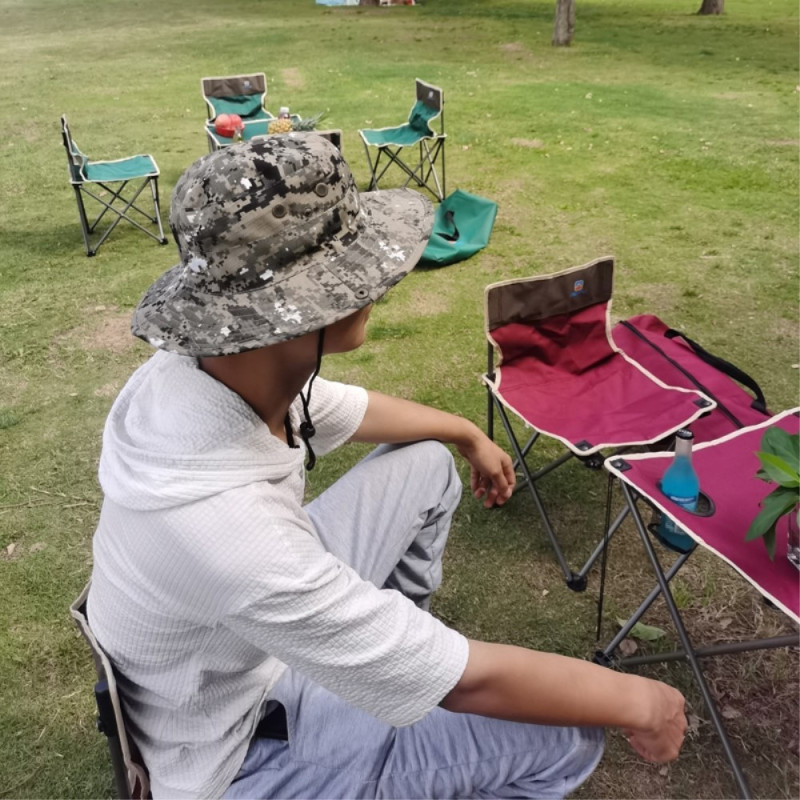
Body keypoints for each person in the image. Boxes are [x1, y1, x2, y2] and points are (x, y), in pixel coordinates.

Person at [87, 134, 687, 800]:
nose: (379, 282)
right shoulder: (230, 534)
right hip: (232, 748)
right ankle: (384, 661)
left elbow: (342, 409)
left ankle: (377, 653)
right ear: (294, 315)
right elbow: (468, 684)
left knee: (427, 464)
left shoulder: (209, 370)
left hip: (231, 645)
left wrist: (465, 433)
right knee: (569, 736)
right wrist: (642, 701)